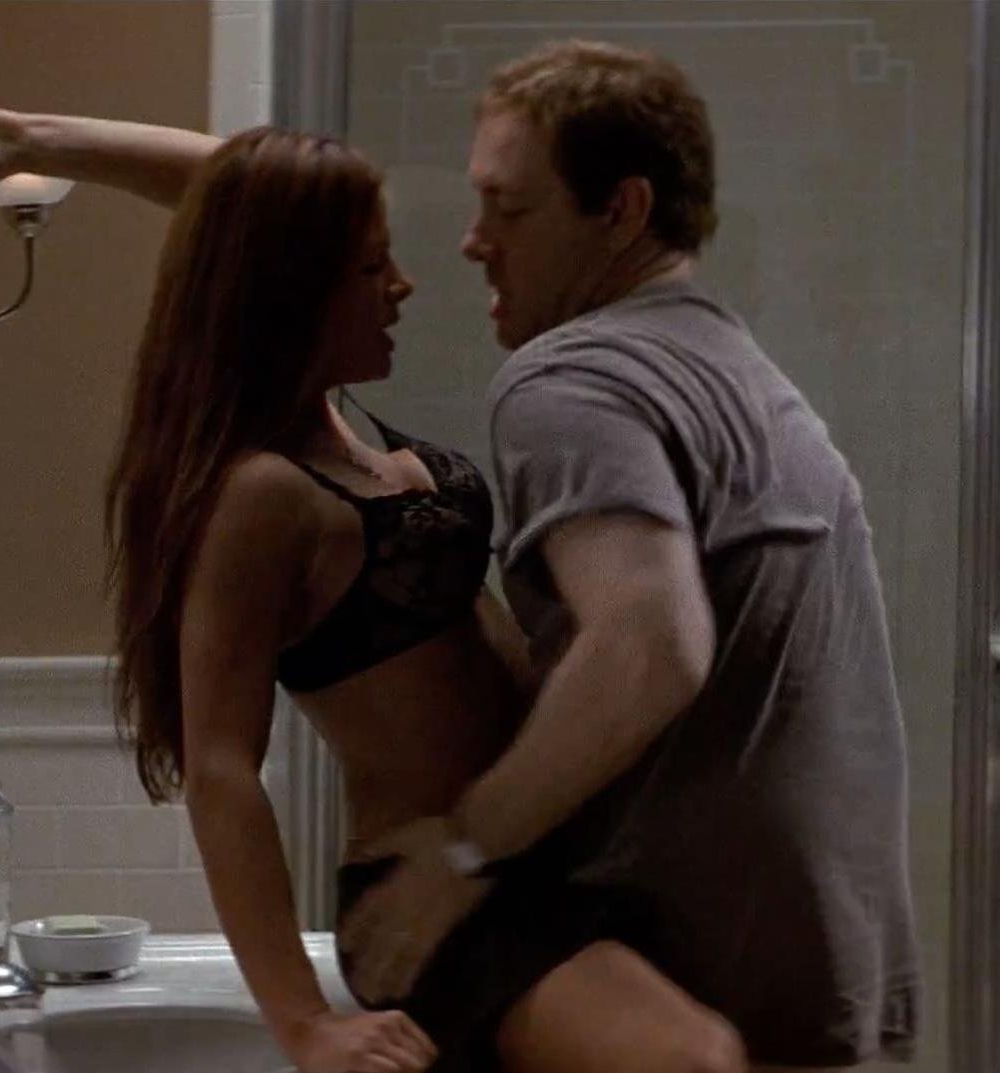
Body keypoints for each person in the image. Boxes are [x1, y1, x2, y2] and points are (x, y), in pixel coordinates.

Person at [0, 121, 745, 1073]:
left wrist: (39, 140)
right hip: (435, 902)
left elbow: (245, 195)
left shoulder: (350, 432)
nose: (404, 285)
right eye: (371, 267)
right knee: (695, 1059)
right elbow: (221, 770)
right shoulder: (261, 496)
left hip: (541, 858)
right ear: (290, 294)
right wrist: (304, 1021)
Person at [339, 42, 919, 1071]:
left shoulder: (568, 381)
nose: (473, 241)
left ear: (622, 209)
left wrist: (464, 848)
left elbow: (650, 643)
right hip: (822, 957)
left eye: (510, 207)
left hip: (681, 972)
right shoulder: (743, 376)